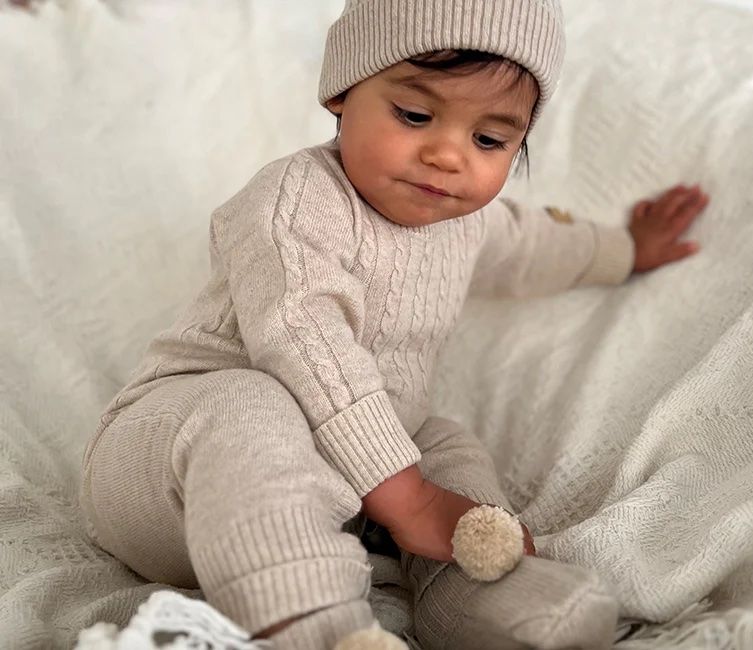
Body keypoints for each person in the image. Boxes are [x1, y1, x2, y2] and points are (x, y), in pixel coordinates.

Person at [79, 0, 710, 648]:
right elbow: (303, 336)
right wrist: (406, 498)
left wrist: (626, 249)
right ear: (342, 91)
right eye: (414, 115)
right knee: (251, 402)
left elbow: (536, 245)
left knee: (445, 444)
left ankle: (481, 600)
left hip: (339, 492)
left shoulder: (468, 222)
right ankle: (319, 629)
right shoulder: (293, 200)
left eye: (489, 140)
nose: (447, 155)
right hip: (165, 477)